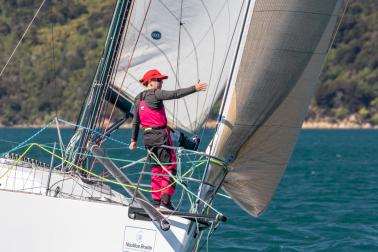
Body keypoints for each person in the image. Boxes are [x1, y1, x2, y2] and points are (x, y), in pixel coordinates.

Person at [129, 69, 206, 210]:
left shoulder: (138, 98)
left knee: (156, 169)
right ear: (150, 82)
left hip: (147, 138)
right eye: (159, 80)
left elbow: (135, 122)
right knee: (170, 168)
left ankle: (157, 202)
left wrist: (133, 140)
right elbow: (175, 94)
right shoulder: (155, 94)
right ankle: (165, 202)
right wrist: (194, 88)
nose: (161, 83)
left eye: (161, 80)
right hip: (161, 136)